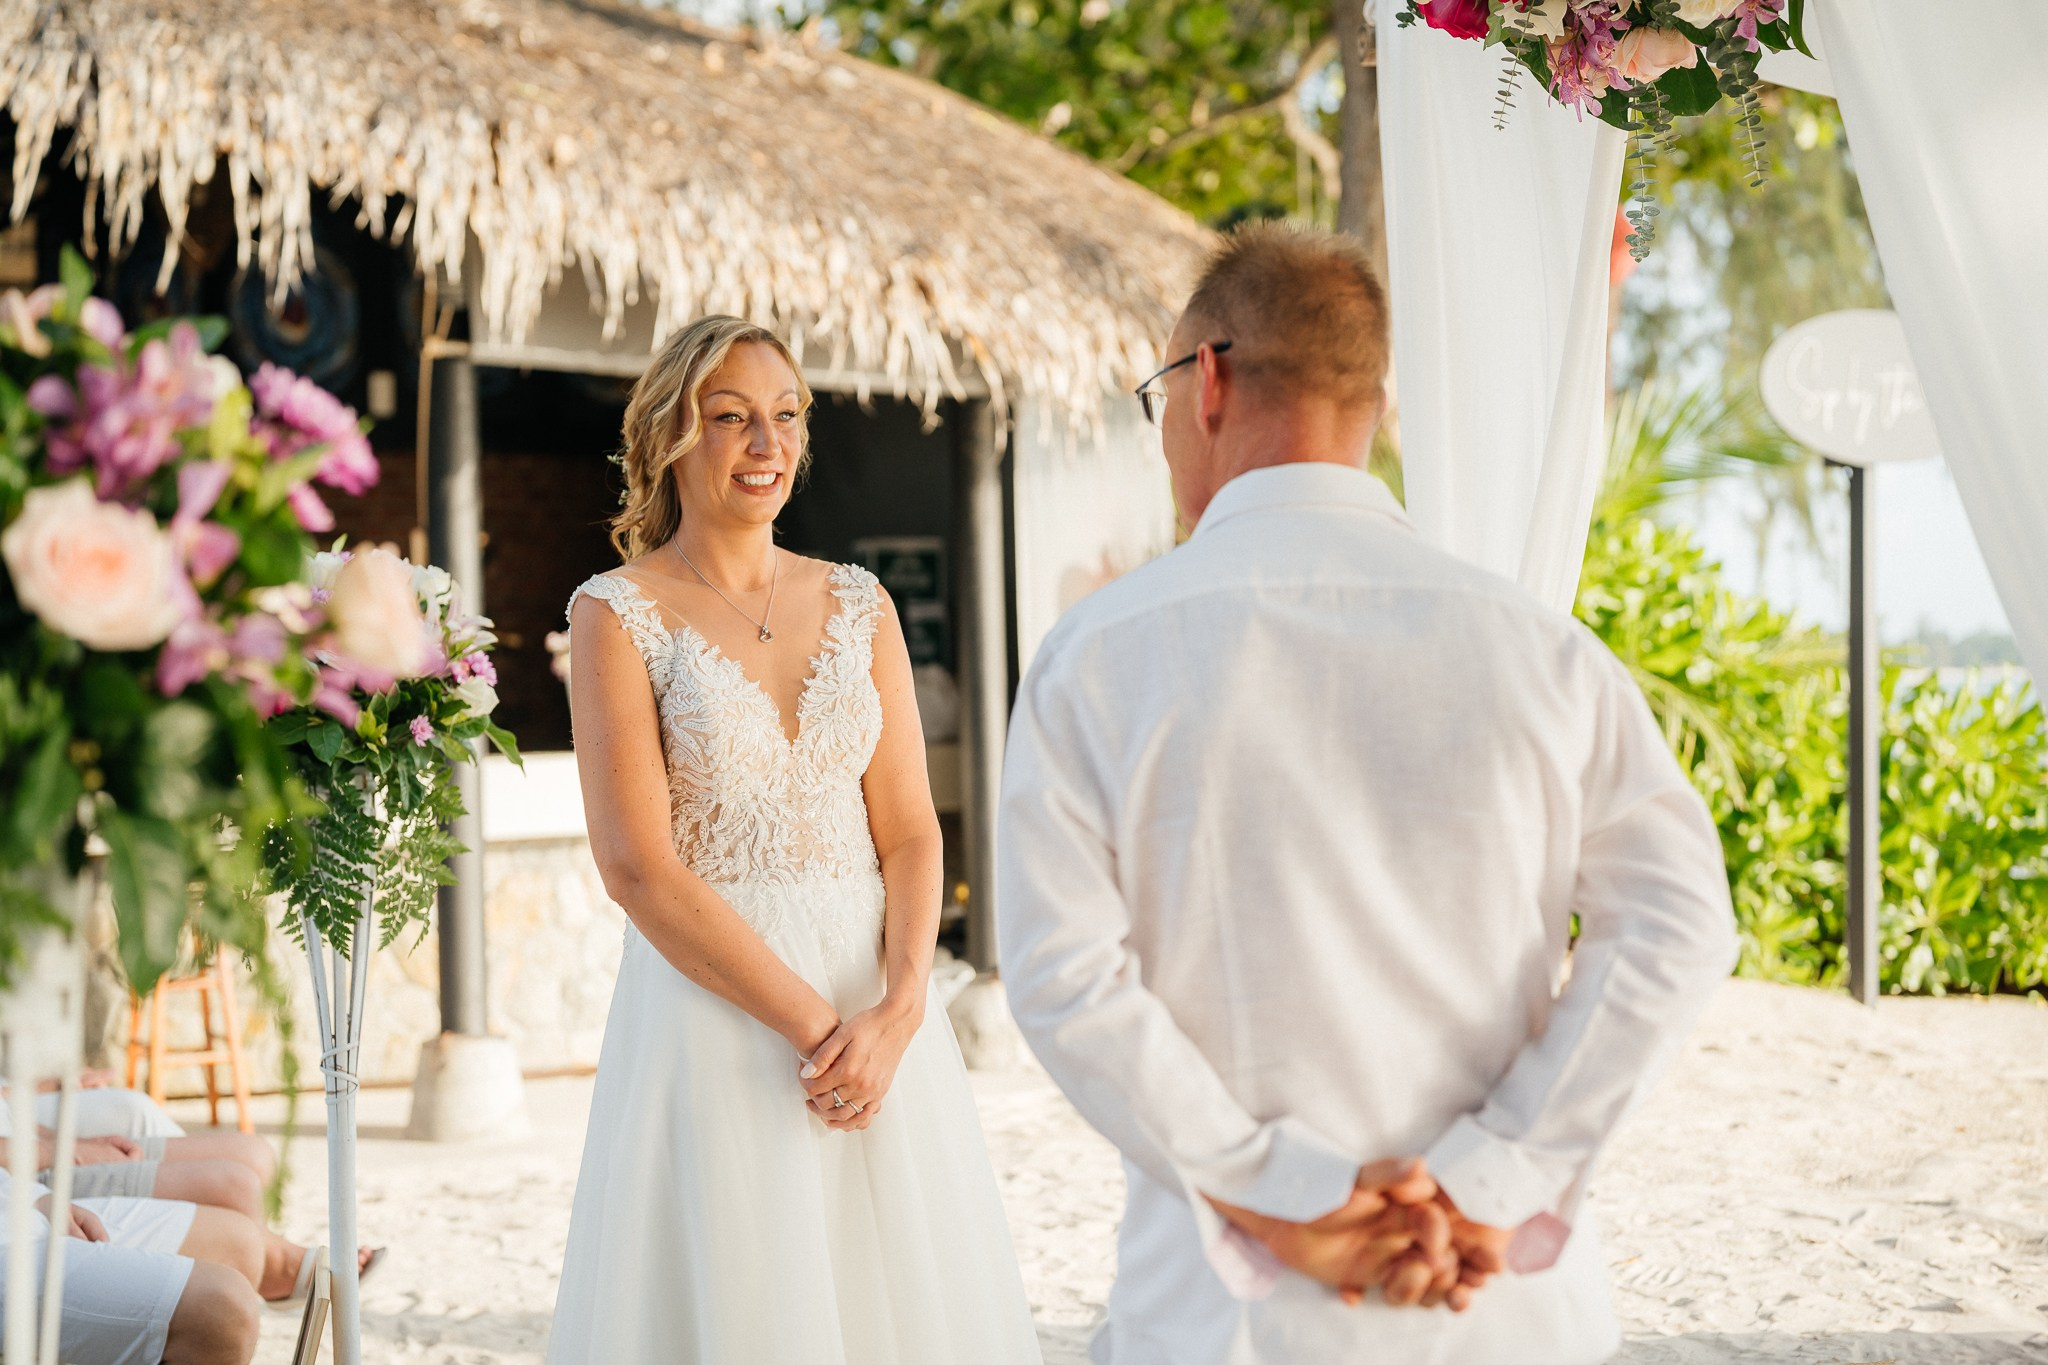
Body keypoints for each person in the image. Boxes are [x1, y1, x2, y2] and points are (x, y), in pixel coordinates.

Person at [996, 222, 1738, 1364]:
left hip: (1222, 1307)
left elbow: (1059, 976)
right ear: (1373, 403)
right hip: (1495, 1302)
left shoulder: (1098, 654)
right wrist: (1495, 1173)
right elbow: (1678, 923)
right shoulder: (1537, 647)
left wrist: (1286, 1194)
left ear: (1205, 382)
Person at [548, 316, 1040, 1363]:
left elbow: (909, 829)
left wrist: (903, 1008)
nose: (765, 443)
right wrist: (820, 1033)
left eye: (784, 416)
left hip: (879, 1013)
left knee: (895, 1301)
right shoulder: (616, 613)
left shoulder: (858, 603)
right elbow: (636, 869)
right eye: (729, 418)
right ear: (669, 439)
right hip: (718, 1016)